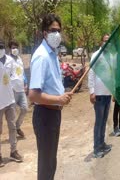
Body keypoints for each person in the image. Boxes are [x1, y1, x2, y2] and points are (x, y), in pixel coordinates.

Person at [28, 14, 73, 180]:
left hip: (53, 114)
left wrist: (62, 95)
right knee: (46, 165)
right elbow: (33, 95)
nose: (57, 34)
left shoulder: (53, 54)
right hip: (45, 115)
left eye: (59, 30)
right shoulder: (41, 56)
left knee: (51, 162)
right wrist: (58, 100)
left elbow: (51, 84)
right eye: (53, 30)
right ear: (44, 33)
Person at [88, 34, 112, 158]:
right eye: (105, 41)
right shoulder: (96, 55)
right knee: (98, 122)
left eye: (109, 41)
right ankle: (96, 148)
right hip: (98, 95)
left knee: (104, 122)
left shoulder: (110, 57)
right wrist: (92, 91)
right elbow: (91, 73)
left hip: (107, 94)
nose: (107, 43)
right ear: (101, 42)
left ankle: (102, 144)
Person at [0, 39, 23, 167]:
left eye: (2, 47)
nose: (1, 49)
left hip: (9, 100)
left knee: (12, 127)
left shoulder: (9, 60)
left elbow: (16, 75)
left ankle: (13, 151)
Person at [9, 40, 28, 138]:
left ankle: (17, 126)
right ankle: (12, 135)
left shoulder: (20, 59)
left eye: (16, 47)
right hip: (12, 90)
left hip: (21, 89)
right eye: (13, 47)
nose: (15, 49)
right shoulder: (7, 60)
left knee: (25, 109)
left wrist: (26, 83)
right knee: (12, 114)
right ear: (10, 49)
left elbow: (22, 72)